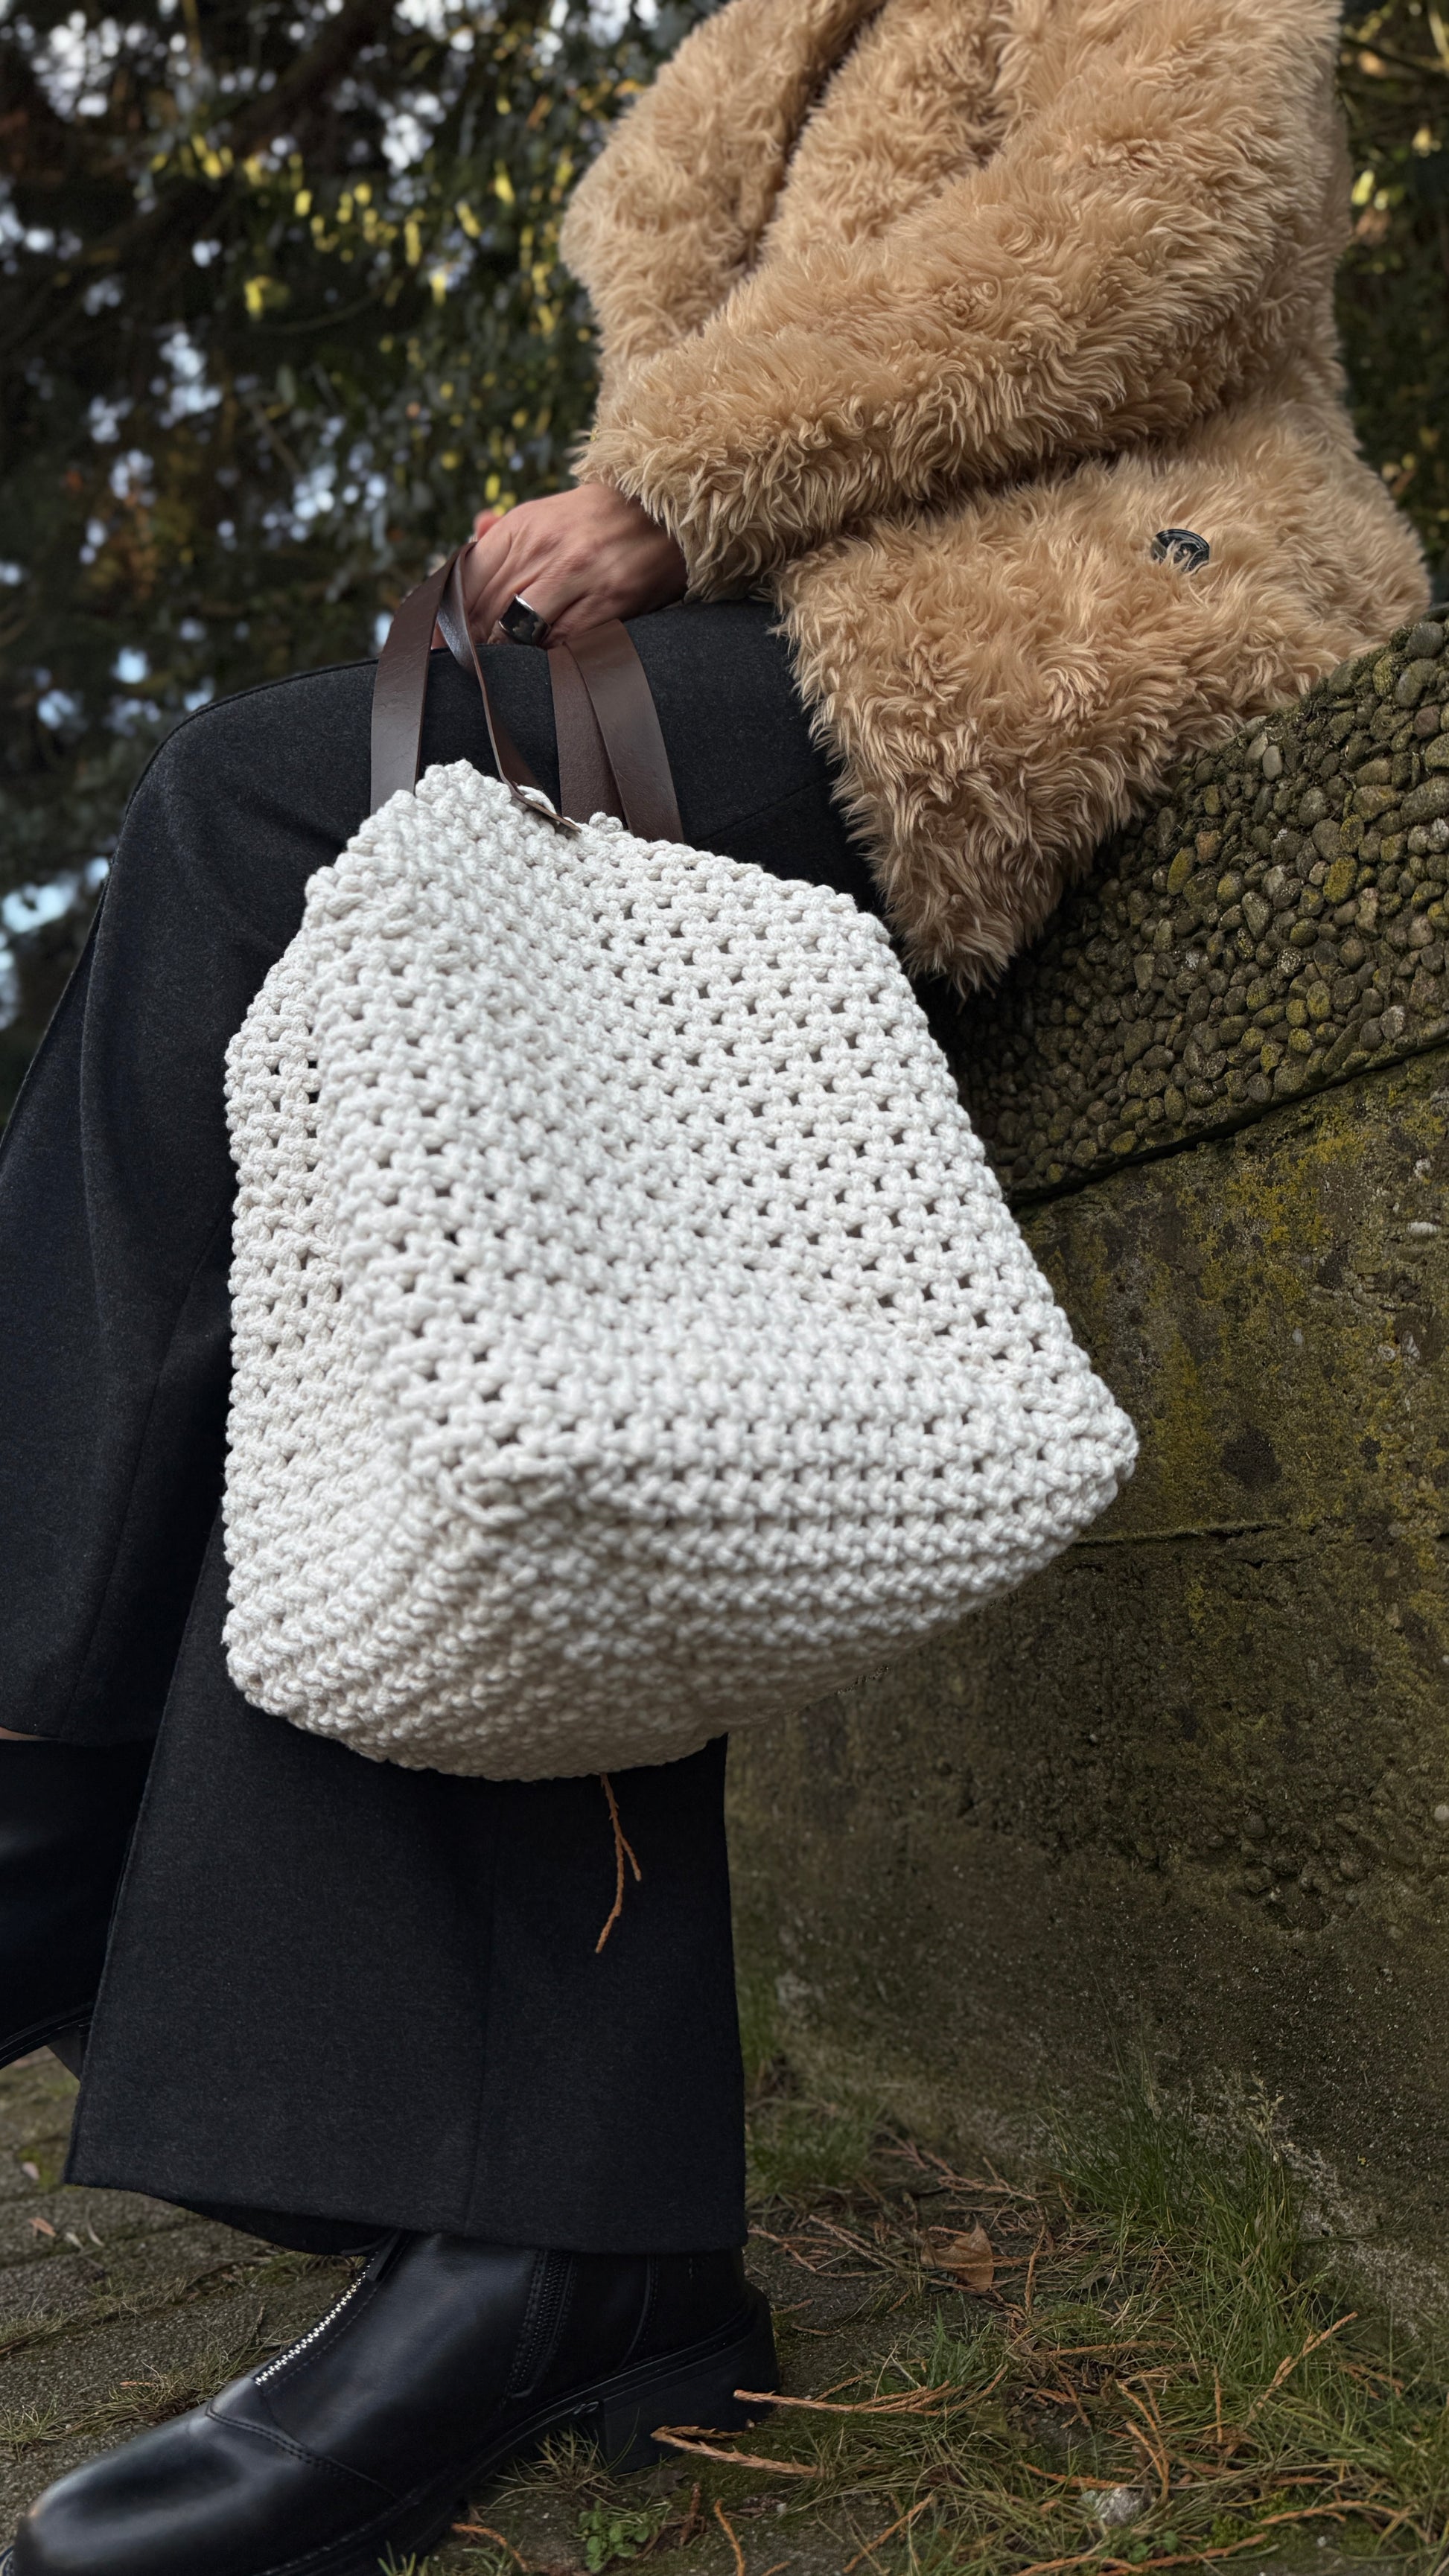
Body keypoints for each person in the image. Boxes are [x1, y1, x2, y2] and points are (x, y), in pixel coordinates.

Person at [0, 0, 1427, 2563]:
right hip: (815, 648)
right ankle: (553, 2225)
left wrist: (674, 479)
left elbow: (1157, 234)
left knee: (250, 818)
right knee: (380, 1016)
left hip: (1107, 605)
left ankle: (78, 1836)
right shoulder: (749, 54)